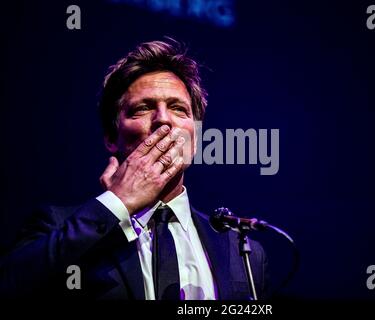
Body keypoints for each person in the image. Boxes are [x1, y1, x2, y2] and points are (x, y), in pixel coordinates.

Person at [0, 39, 269, 300]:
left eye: (178, 108)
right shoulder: (57, 225)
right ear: (110, 137)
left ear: (195, 139)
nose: (163, 119)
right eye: (143, 108)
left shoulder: (242, 252)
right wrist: (116, 204)